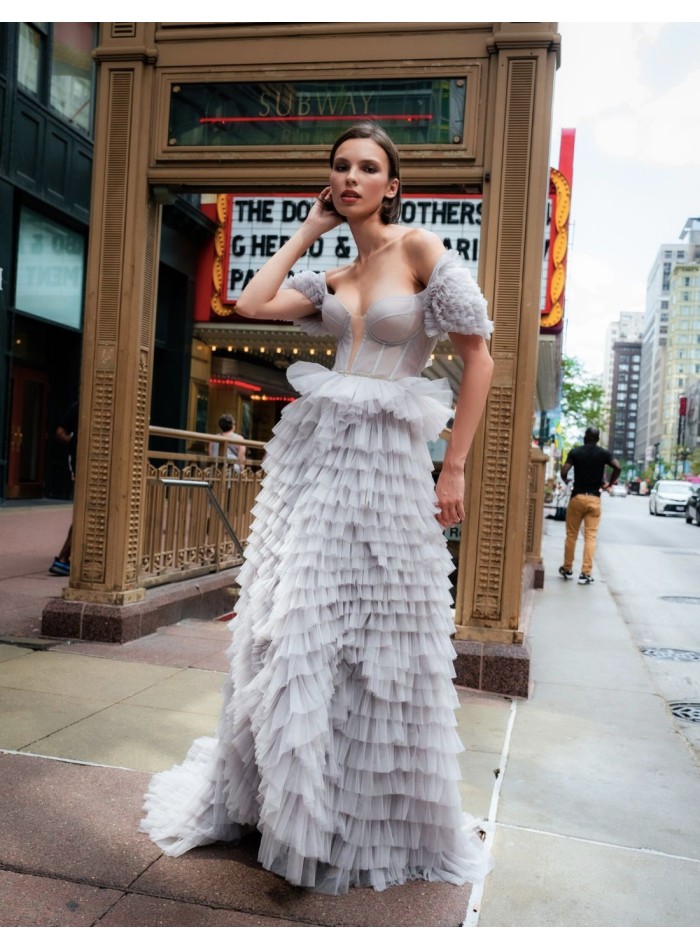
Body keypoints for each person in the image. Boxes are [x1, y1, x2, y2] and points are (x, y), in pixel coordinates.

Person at [141, 122, 495, 893]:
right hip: (316, 461)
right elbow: (247, 301)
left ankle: (363, 814)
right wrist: (309, 228)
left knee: (378, 633)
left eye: (369, 167)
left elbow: (480, 357)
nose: (353, 177)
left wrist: (455, 468)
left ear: (393, 184)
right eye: (341, 167)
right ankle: (290, 804)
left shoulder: (423, 251)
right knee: (296, 618)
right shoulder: (333, 278)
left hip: (390, 467)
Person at [558, 426, 621, 585]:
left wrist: (566, 481)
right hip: (594, 499)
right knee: (590, 537)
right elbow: (617, 467)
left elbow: (564, 471)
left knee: (571, 535)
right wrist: (610, 484)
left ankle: (567, 568)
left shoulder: (575, 452)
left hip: (577, 497)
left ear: (585, 437)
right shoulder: (604, 454)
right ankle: (585, 573)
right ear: (598, 439)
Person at [49, 400, 79, 577]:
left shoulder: (77, 405)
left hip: (76, 463)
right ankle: (63, 558)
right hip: (95, 464)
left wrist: (74, 441)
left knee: (83, 512)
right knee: (86, 514)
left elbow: (60, 432)